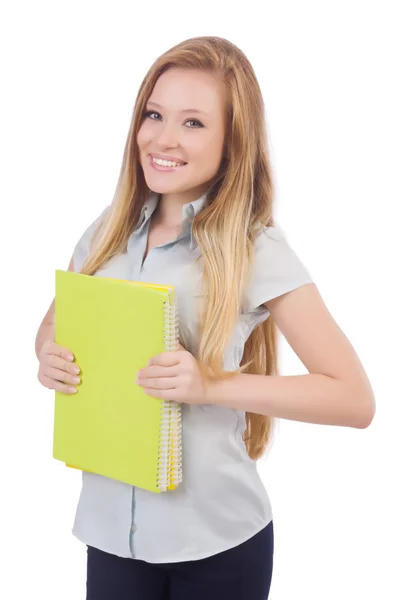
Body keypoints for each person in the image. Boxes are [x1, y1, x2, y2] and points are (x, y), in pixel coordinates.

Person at [35, 36, 376, 600]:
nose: (163, 139)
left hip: (217, 543)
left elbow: (353, 399)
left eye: (193, 123)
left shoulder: (256, 249)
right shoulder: (106, 232)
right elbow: (52, 326)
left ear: (232, 141)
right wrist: (48, 356)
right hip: (110, 535)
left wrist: (212, 384)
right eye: (154, 114)